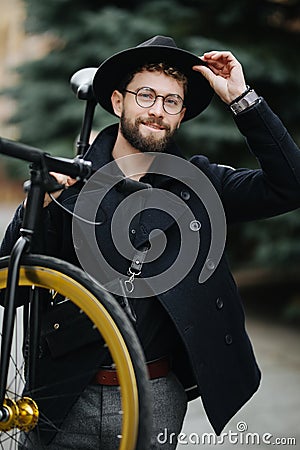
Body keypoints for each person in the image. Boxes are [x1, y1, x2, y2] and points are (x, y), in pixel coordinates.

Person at [1, 35, 300, 449]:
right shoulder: (69, 183)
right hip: (65, 393)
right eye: (146, 95)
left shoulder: (202, 185)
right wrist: (40, 205)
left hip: (156, 393)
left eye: (171, 102)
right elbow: (9, 287)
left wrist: (242, 99)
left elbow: (290, 185)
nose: (157, 111)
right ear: (118, 101)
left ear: (180, 116)